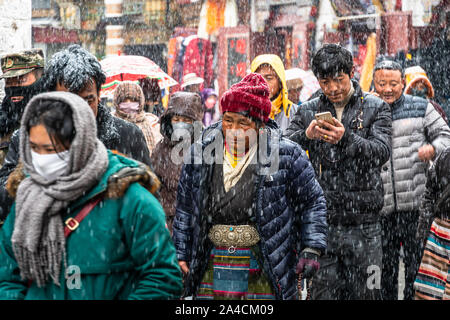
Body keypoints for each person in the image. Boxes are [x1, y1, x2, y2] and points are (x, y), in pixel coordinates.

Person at [0, 91, 183, 299]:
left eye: (51, 149)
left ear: (80, 144)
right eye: (34, 148)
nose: (40, 159)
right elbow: (7, 277)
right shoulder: (27, 197)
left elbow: (162, 278)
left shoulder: (130, 200)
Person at [172, 73, 328, 300]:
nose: (234, 130)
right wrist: (180, 251)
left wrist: (311, 247)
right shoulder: (201, 153)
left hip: (264, 262)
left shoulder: (286, 154)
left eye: (243, 123)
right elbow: (185, 207)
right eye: (228, 121)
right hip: (213, 258)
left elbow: (313, 201)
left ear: (259, 124)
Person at [285, 44, 392, 300]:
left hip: (366, 225)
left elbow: (381, 152)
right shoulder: (308, 110)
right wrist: (306, 136)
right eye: (325, 81)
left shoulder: (376, 107)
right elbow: (284, 150)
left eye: (339, 80)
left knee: (368, 293)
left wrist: (346, 140)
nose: (333, 88)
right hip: (324, 225)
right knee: (323, 294)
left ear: (350, 73)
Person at [0, 44, 152, 223]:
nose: (80, 110)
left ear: (98, 96)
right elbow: (4, 201)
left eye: (88, 100)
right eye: (70, 100)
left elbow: (148, 207)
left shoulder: (127, 135)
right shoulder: (27, 138)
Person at [372, 59, 450, 300]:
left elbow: (445, 137)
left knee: (416, 273)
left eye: (393, 83)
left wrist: (433, 148)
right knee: (383, 273)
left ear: (402, 83)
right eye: (382, 83)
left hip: (415, 209)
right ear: (373, 84)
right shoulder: (367, 110)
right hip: (380, 209)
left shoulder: (421, 107)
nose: (387, 89)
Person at [151, 91, 203, 234]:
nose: (181, 124)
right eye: (177, 119)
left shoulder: (205, 147)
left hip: (197, 222)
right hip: (167, 224)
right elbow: (153, 186)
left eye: (187, 121)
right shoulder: (160, 149)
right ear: (169, 120)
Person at [414, 146, 450, 300]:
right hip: (441, 233)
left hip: (440, 231)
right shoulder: (445, 157)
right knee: (428, 293)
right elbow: (429, 194)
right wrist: (424, 232)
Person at [0, 49, 45, 167]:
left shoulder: (56, 119)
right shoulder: (3, 123)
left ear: (40, 79)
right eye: (9, 81)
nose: (14, 86)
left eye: (21, 79)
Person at [113, 81, 163, 157]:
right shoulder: (110, 123)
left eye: (133, 100)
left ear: (140, 101)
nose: (128, 103)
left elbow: (158, 151)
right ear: (117, 102)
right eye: (124, 100)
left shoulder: (151, 123)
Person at [251, 54, 298, 133]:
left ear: (280, 81)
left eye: (269, 78)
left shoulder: (295, 113)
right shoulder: (244, 113)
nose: (263, 83)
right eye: (258, 78)